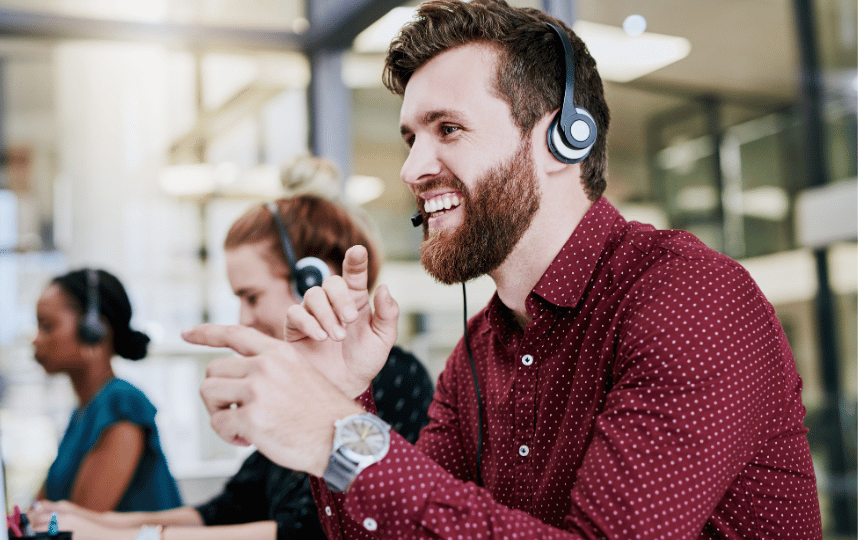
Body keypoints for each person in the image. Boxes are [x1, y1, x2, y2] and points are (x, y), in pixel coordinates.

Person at [187, 1, 823, 539]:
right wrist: (342, 397)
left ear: (560, 140)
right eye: (412, 138)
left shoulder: (689, 298)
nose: (411, 171)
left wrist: (340, 437)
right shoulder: (478, 351)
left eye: (449, 128)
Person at [29, 195, 435, 540]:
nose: (243, 318)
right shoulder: (299, 388)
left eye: (252, 297)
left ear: (312, 282)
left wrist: (128, 536)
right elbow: (227, 510)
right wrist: (94, 522)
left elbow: (305, 531)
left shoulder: (392, 377)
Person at [33, 268, 182, 512]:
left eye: (47, 326)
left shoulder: (121, 404)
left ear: (93, 330)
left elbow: (80, 523)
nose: (36, 340)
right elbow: (40, 511)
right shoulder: (84, 411)